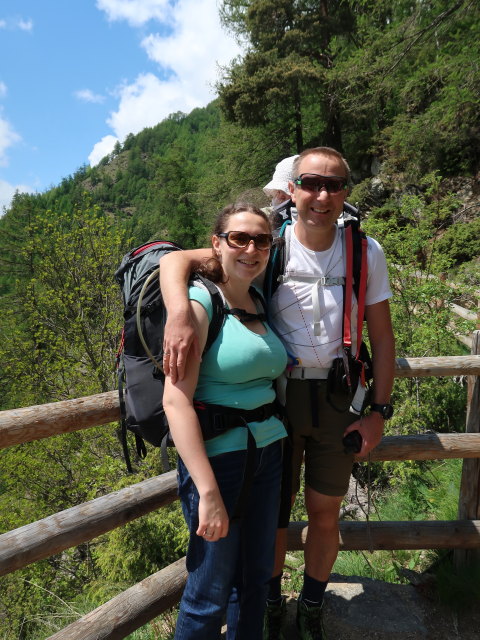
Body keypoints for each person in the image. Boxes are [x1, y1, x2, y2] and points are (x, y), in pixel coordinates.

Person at [161, 148, 395, 640]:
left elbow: (384, 336)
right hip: (279, 400)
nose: (321, 195)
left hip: (337, 398)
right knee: (273, 518)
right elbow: (179, 260)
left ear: (346, 192)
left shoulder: (364, 250)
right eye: (310, 182)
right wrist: (180, 312)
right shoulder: (268, 242)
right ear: (292, 189)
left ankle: (308, 605)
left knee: (324, 511)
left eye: (334, 185)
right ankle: (266, 605)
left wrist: (377, 410)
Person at [162, 203, 288, 640]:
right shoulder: (200, 303)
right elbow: (176, 403)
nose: (251, 248)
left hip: (269, 454)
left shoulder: (256, 298)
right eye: (239, 238)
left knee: (255, 582)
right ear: (217, 244)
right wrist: (208, 492)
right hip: (220, 464)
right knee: (208, 594)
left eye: (261, 240)